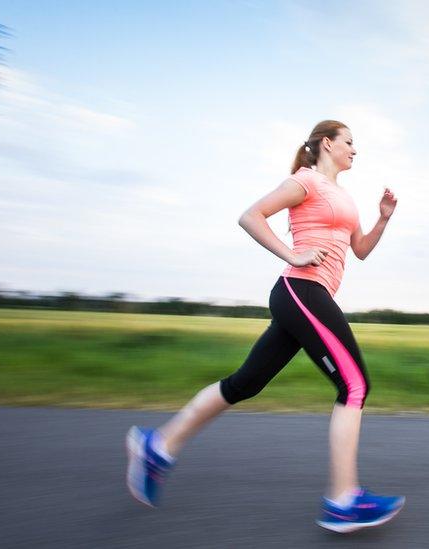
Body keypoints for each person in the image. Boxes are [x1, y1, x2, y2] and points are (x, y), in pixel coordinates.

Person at [125, 120, 404, 533]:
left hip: (309, 297)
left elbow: (359, 250)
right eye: (349, 142)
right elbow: (251, 216)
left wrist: (383, 219)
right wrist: (292, 254)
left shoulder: (343, 195)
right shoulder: (305, 181)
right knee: (355, 385)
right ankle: (344, 500)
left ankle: (158, 445)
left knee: (245, 383)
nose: (355, 150)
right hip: (301, 291)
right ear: (327, 144)